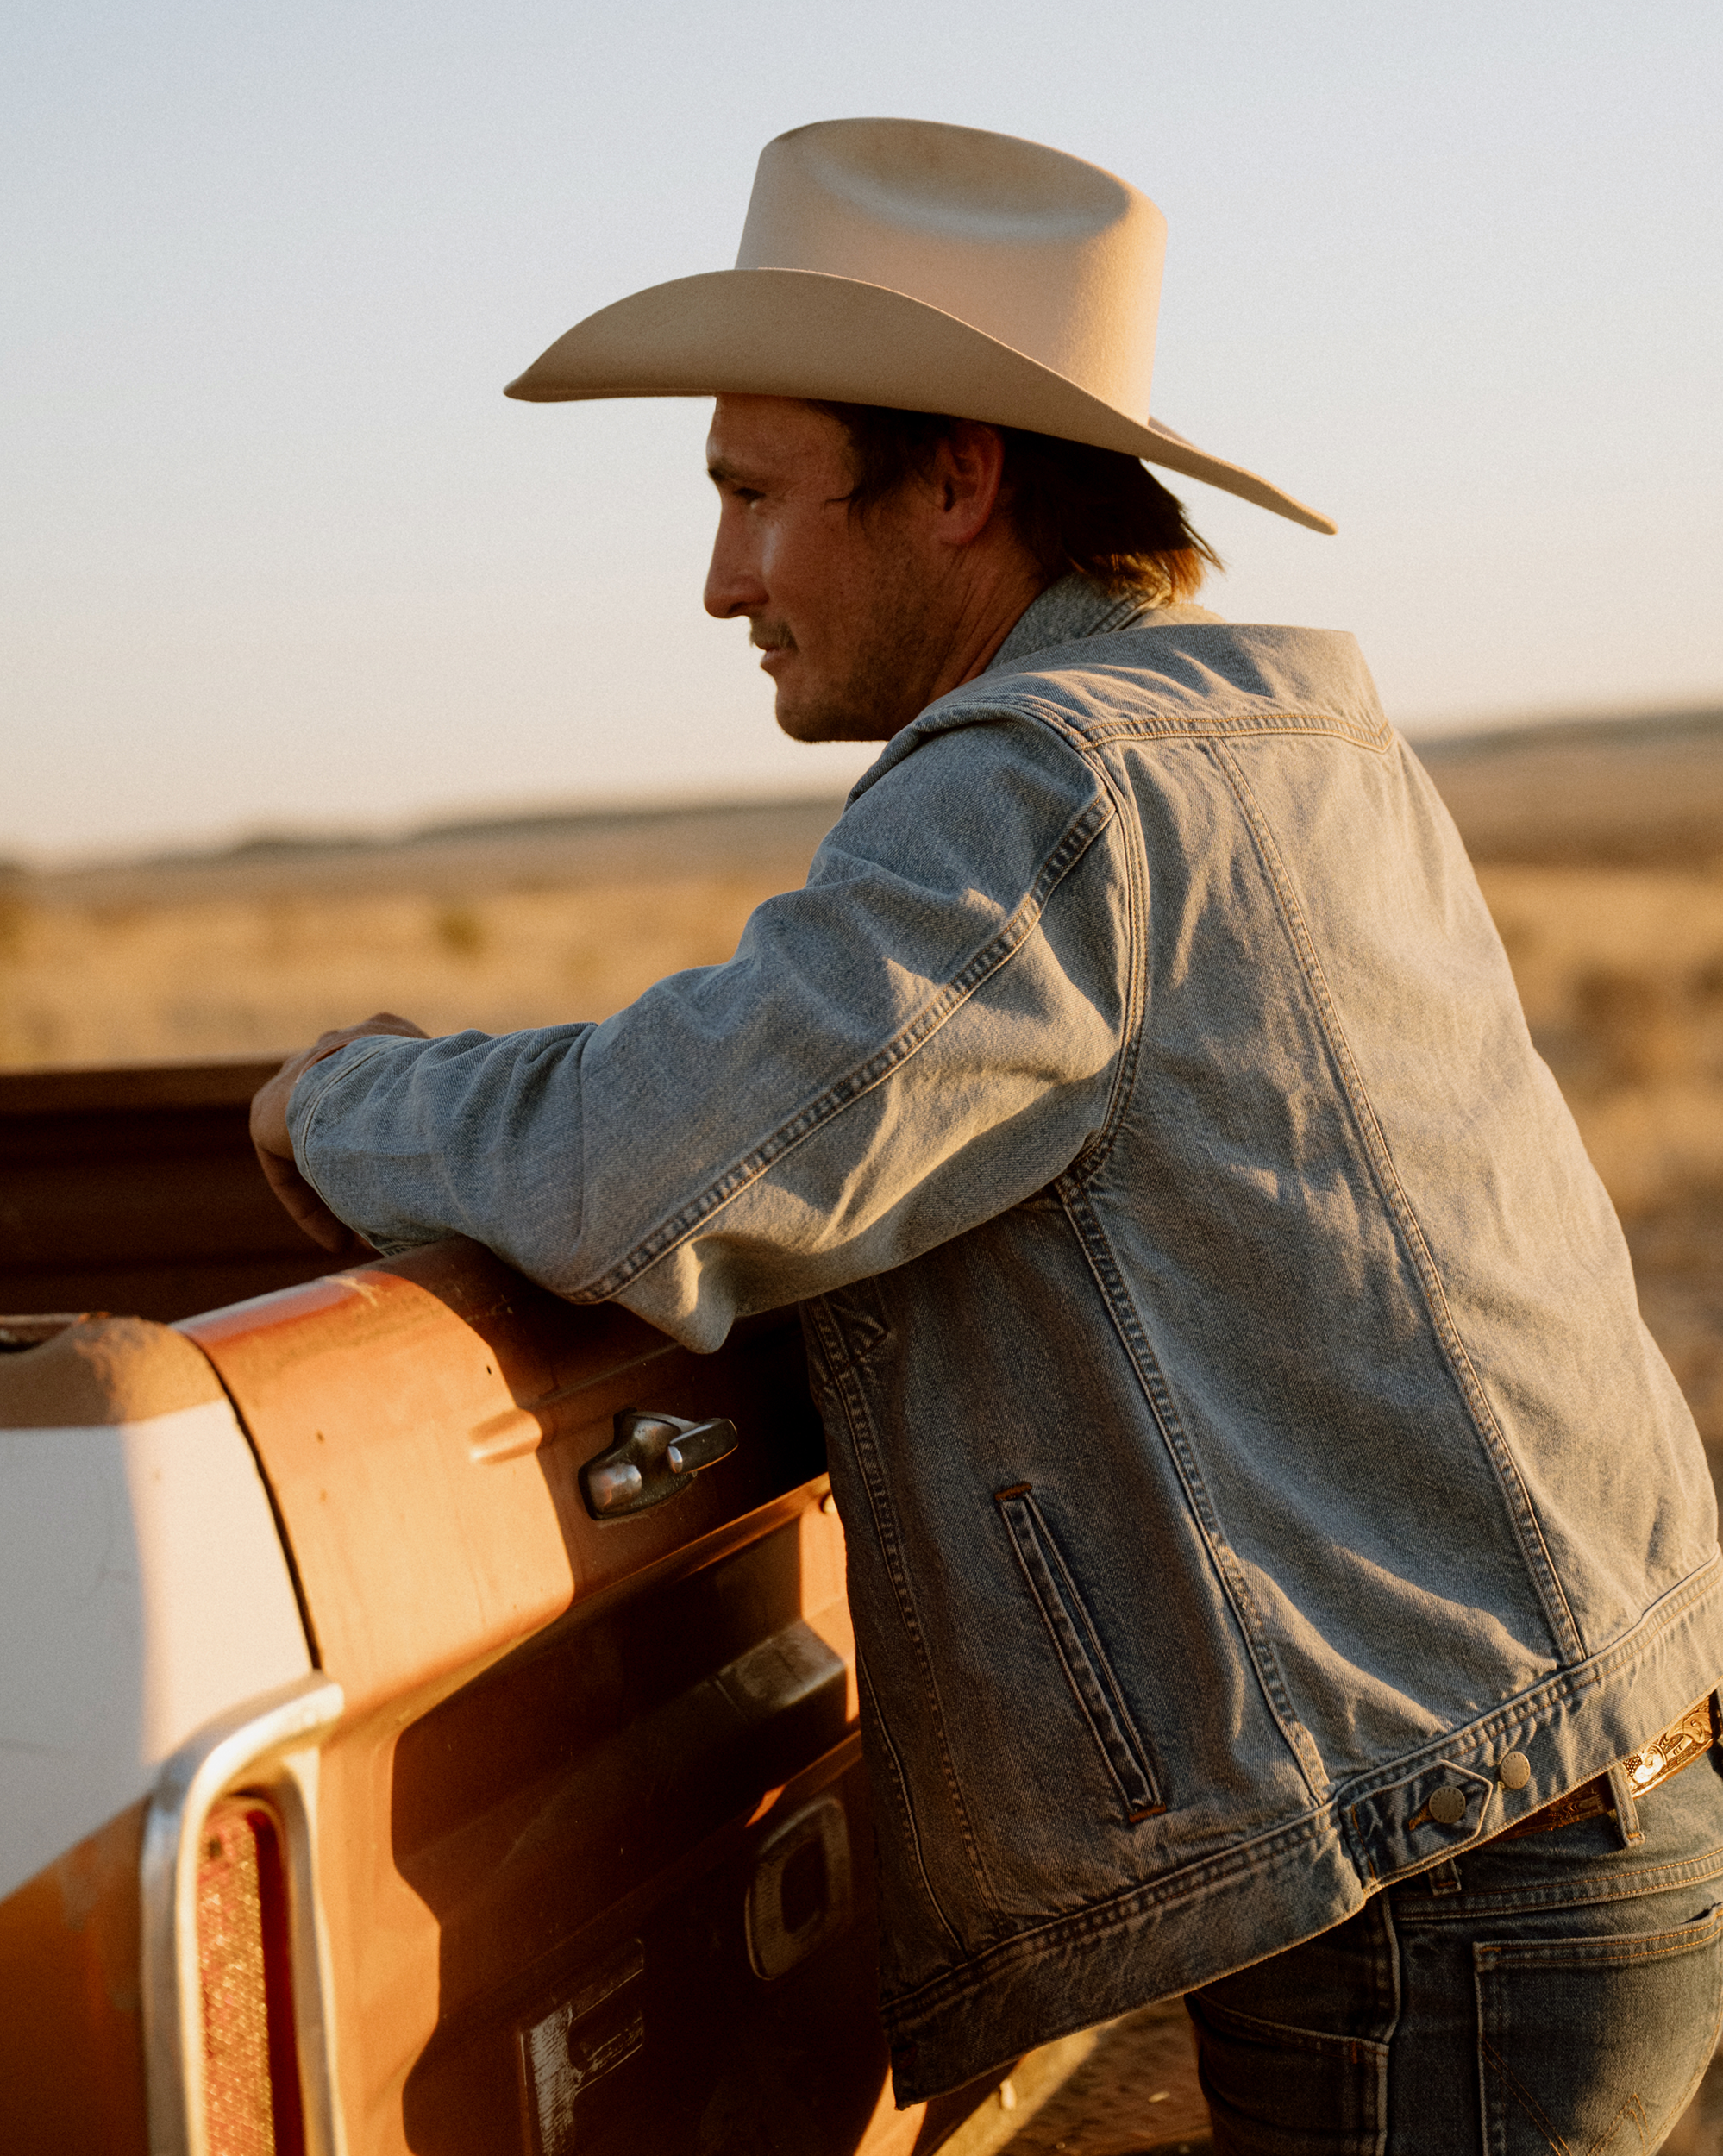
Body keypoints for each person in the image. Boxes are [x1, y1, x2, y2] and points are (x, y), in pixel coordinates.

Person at [251, 119, 1723, 2149]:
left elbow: (664, 1162)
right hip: (1556, 1807)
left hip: (1440, 1894)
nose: (717, 579)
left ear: (957, 477)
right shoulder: (1258, 723)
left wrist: (339, 1100)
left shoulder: (1052, 783)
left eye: (754, 495)